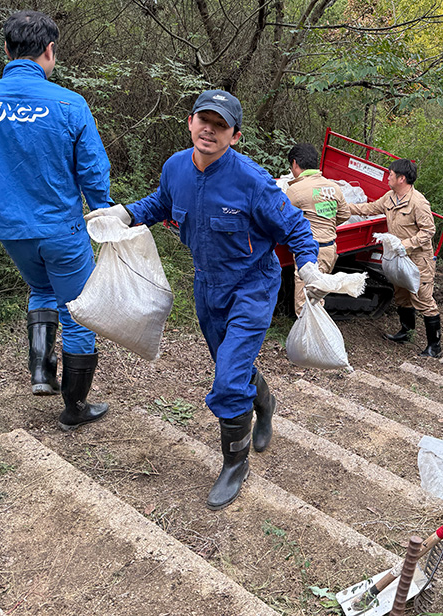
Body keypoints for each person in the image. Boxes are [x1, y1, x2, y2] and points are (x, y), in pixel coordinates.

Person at [88, 90, 322, 510]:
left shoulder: (251, 180)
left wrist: (307, 267)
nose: (209, 130)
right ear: (190, 121)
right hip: (207, 286)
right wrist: (125, 213)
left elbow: (295, 228)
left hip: (253, 285)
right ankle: (264, 400)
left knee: (228, 378)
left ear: (234, 135)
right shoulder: (176, 167)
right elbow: (162, 203)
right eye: (203, 120)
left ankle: (235, 464)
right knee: (231, 365)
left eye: (220, 125)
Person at [0, 10, 113, 431]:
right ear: (49, 51)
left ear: (6, 51)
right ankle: (75, 408)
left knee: (41, 288)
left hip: (11, 232)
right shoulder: (69, 103)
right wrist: (105, 215)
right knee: (79, 310)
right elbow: (93, 172)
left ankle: (42, 373)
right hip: (62, 229)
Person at [348, 159, 442, 357]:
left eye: (391, 174)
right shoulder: (390, 197)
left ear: (402, 178)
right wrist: (344, 207)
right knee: (401, 294)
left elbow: (429, 231)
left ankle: (434, 346)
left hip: (418, 259)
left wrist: (406, 244)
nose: (388, 177)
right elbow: (369, 208)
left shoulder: (418, 202)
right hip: (398, 258)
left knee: (423, 298)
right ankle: (405, 332)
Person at [284, 143, 350, 316]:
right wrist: (326, 222)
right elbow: (344, 214)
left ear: (295, 163)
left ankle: (308, 341)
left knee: (303, 303)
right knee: (316, 296)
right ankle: (315, 336)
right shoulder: (333, 187)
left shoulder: (295, 190)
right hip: (329, 249)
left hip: (310, 251)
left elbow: (280, 217)